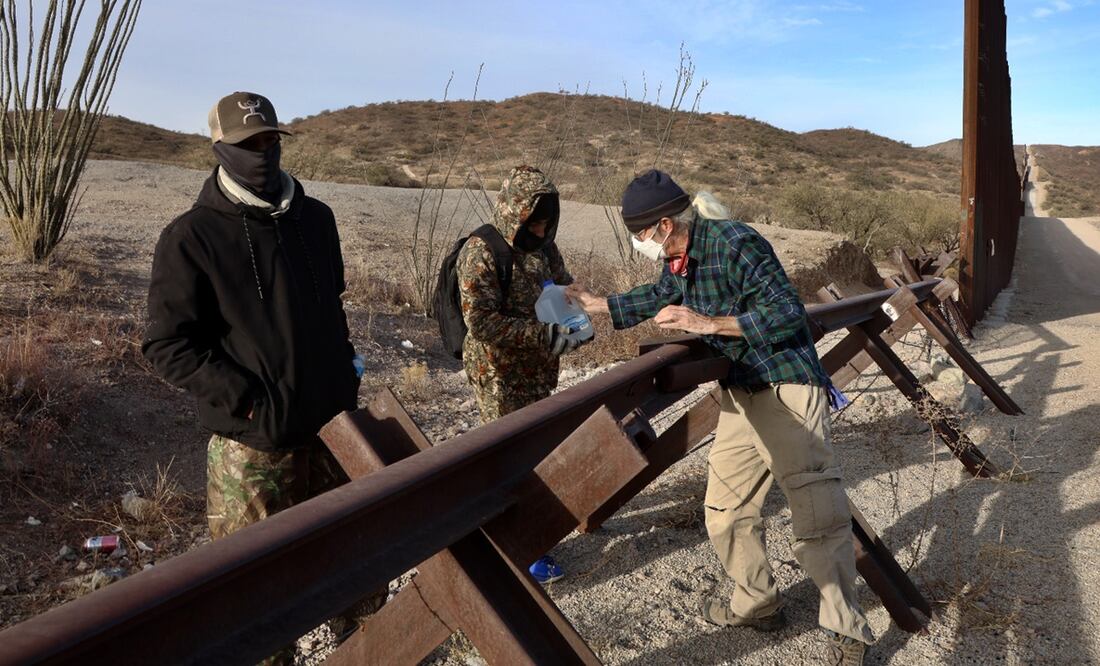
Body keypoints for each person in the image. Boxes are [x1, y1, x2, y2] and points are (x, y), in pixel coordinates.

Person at [566, 170, 874, 665]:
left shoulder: (736, 242)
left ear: (664, 226)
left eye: (640, 234)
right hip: (741, 392)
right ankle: (756, 603)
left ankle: (846, 631)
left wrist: (708, 324)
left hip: (787, 386)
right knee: (726, 509)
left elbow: (789, 313)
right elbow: (660, 295)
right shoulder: (680, 259)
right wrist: (597, 305)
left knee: (817, 513)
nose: (639, 244)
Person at [141, 92, 383, 665]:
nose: (264, 153)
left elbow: (333, 309)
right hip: (252, 452)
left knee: (360, 576)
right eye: (250, 144)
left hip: (333, 434)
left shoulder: (317, 219)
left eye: (271, 140)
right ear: (221, 149)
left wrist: (344, 375)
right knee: (254, 606)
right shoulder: (191, 237)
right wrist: (250, 403)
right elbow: (166, 344)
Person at [457, 164, 586, 582]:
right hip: (498, 374)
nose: (543, 227)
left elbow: (564, 289)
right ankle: (518, 549)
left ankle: (531, 534)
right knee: (508, 459)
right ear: (516, 211)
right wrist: (544, 333)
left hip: (538, 371)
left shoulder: (546, 248)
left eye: (548, 220)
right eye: (535, 219)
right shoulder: (482, 251)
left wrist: (581, 316)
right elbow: (481, 323)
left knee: (536, 452)